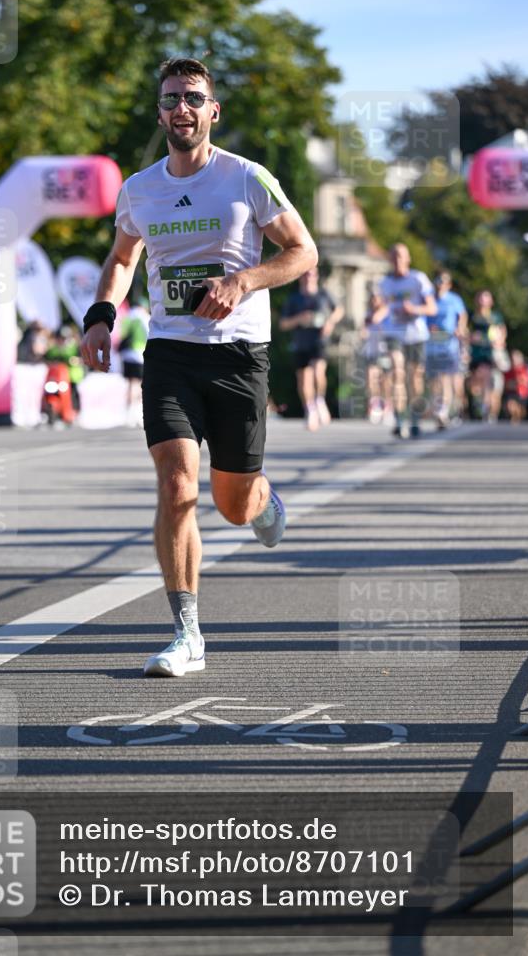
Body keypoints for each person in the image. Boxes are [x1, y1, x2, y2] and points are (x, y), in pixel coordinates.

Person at [80, 57, 317, 678]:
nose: (180, 109)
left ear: (214, 111)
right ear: (159, 114)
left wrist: (243, 280)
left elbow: (302, 252)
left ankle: (261, 501)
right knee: (176, 481)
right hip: (171, 353)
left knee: (232, 503)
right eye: (170, 99)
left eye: (192, 98)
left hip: (241, 354)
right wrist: (101, 313)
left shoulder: (247, 178)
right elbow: (123, 256)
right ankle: (187, 632)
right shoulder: (139, 189)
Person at [380, 243, 437, 438]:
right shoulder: (385, 283)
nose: (397, 259)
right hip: (394, 333)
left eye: (401, 256)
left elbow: (432, 308)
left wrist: (414, 310)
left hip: (416, 335)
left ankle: (414, 419)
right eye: (394, 256)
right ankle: (398, 419)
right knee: (397, 372)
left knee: (414, 379)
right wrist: (373, 318)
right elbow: (382, 307)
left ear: (408, 259)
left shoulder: (418, 279)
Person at [279, 267, 343, 430]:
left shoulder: (323, 294)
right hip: (301, 342)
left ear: (316, 276)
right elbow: (283, 324)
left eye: (312, 274)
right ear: (301, 277)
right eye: (306, 274)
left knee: (318, 373)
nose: (309, 277)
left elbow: (339, 310)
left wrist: (329, 322)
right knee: (303, 380)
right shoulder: (294, 298)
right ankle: (310, 409)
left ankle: (319, 400)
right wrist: (299, 319)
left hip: (319, 341)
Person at [426, 270, 468, 429]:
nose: (440, 285)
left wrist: (460, 328)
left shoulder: (454, 300)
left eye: (443, 282)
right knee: (434, 380)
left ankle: (442, 412)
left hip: (448, 343)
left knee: (445, 378)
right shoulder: (429, 298)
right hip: (431, 343)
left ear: (449, 285)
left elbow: (462, 316)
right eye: (438, 281)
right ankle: (438, 408)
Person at [468, 290, 507, 421]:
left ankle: (486, 410)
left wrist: (499, 342)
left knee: (486, 380)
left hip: (489, 352)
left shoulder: (495, 316)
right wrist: (470, 337)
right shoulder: (471, 316)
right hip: (474, 352)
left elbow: (502, 332)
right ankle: (480, 404)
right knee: (474, 384)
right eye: (480, 298)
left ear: (491, 301)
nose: (482, 301)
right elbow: (463, 330)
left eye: (485, 298)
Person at [361, 287, 392, 425]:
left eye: (376, 297)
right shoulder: (367, 314)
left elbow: (377, 318)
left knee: (385, 381)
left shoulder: (386, 311)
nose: (374, 300)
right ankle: (375, 405)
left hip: (385, 351)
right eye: (372, 298)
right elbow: (364, 331)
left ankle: (387, 407)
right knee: (371, 378)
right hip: (372, 351)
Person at [118, 296, 150, 426]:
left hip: (126, 353)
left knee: (131, 383)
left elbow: (121, 333)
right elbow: (149, 333)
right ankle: (137, 413)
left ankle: (128, 412)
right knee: (139, 384)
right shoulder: (143, 316)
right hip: (139, 353)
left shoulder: (127, 316)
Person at [503, 350, 528, 424]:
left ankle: (519, 417)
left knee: (521, 410)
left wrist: (520, 381)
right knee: (510, 405)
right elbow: (507, 384)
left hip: (523, 393)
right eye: (513, 358)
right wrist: (518, 382)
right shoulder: (509, 371)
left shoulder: (525, 370)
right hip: (512, 393)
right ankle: (514, 417)